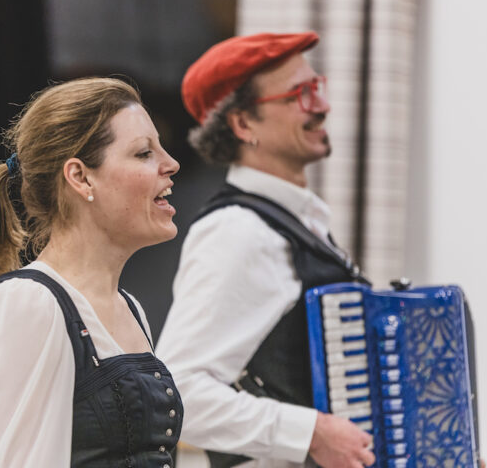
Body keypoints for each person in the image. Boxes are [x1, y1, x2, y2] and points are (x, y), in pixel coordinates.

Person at [155, 32, 376, 468]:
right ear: (244, 125)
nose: (322, 105)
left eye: (317, 87)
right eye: (300, 94)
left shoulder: (299, 224)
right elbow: (179, 395)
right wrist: (311, 433)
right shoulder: (239, 232)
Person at [0, 77, 183, 467]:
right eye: (144, 153)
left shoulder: (128, 307)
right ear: (80, 177)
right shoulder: (26, 305)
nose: (171, 164)